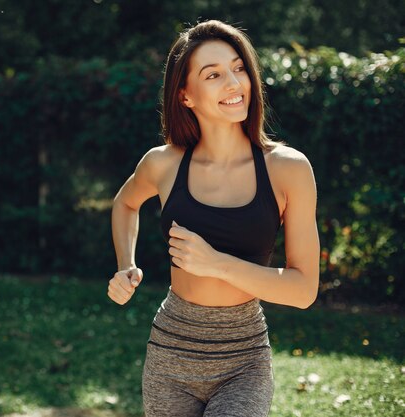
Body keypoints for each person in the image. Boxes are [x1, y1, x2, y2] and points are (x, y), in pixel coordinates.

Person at [108, 20, 320, 417]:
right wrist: (126, 265)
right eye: (214, 74)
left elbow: (304, 289)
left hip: (244, 359)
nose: (234, 83)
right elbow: (125, 203)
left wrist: (215, 263)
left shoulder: (287, 168)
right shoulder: (163, 164)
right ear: (185, 95)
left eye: (239, 68)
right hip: (171, 350)